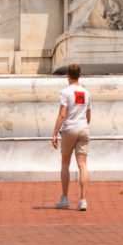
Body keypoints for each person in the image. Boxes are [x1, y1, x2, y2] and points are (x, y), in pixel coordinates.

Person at [51, 62, 90, 210]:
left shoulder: (65, 92)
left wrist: (55, 132)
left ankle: (65, 198)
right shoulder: (86, 93)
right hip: (83, 128)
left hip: (69, 129)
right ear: (79, 75)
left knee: (65, 164)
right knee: (83, 165)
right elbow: (89, 116)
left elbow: (62, 115)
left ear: (68, 76)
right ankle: (83, 200)